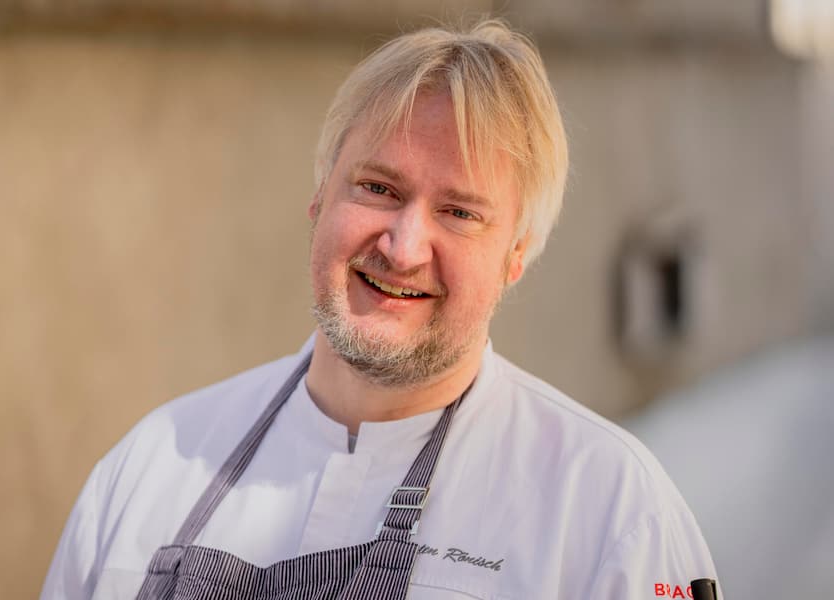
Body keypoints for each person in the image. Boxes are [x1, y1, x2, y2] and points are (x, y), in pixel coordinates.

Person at [42, 19, 721, 600]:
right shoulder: (149, 468)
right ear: (318, 202)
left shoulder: (608, 509)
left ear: (517, 257)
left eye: (459, 212)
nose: (402, 247)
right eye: (377, 188)